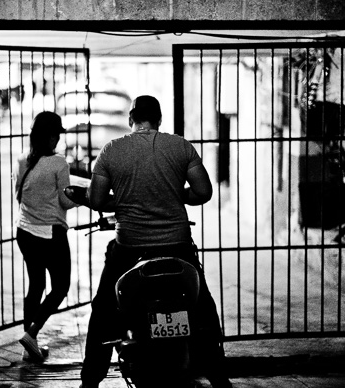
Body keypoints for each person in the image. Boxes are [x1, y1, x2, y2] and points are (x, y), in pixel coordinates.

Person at [79, 96, 231, 387]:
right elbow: (203, 192)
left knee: (104, 313)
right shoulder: (180, 146)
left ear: (131, 120)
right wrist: (174, 194)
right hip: (178, 247)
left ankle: (90, 382)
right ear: (159, 120)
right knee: (203, 312)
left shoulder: (112, 150)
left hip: (129, 249)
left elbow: (97, 199)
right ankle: (219, 378)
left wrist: (125, 200)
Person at [13, 111, 79, 361]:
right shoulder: (59, 163)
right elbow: (65, 199)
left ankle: (29, 348)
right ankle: (32, 333)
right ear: (50, 137)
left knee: (36, 286)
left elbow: (19, 194)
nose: (58, 141)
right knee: (60, 287)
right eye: (56, 135)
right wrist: (82, 199)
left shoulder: (22, 160)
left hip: (25, 231)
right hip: (51, 234)